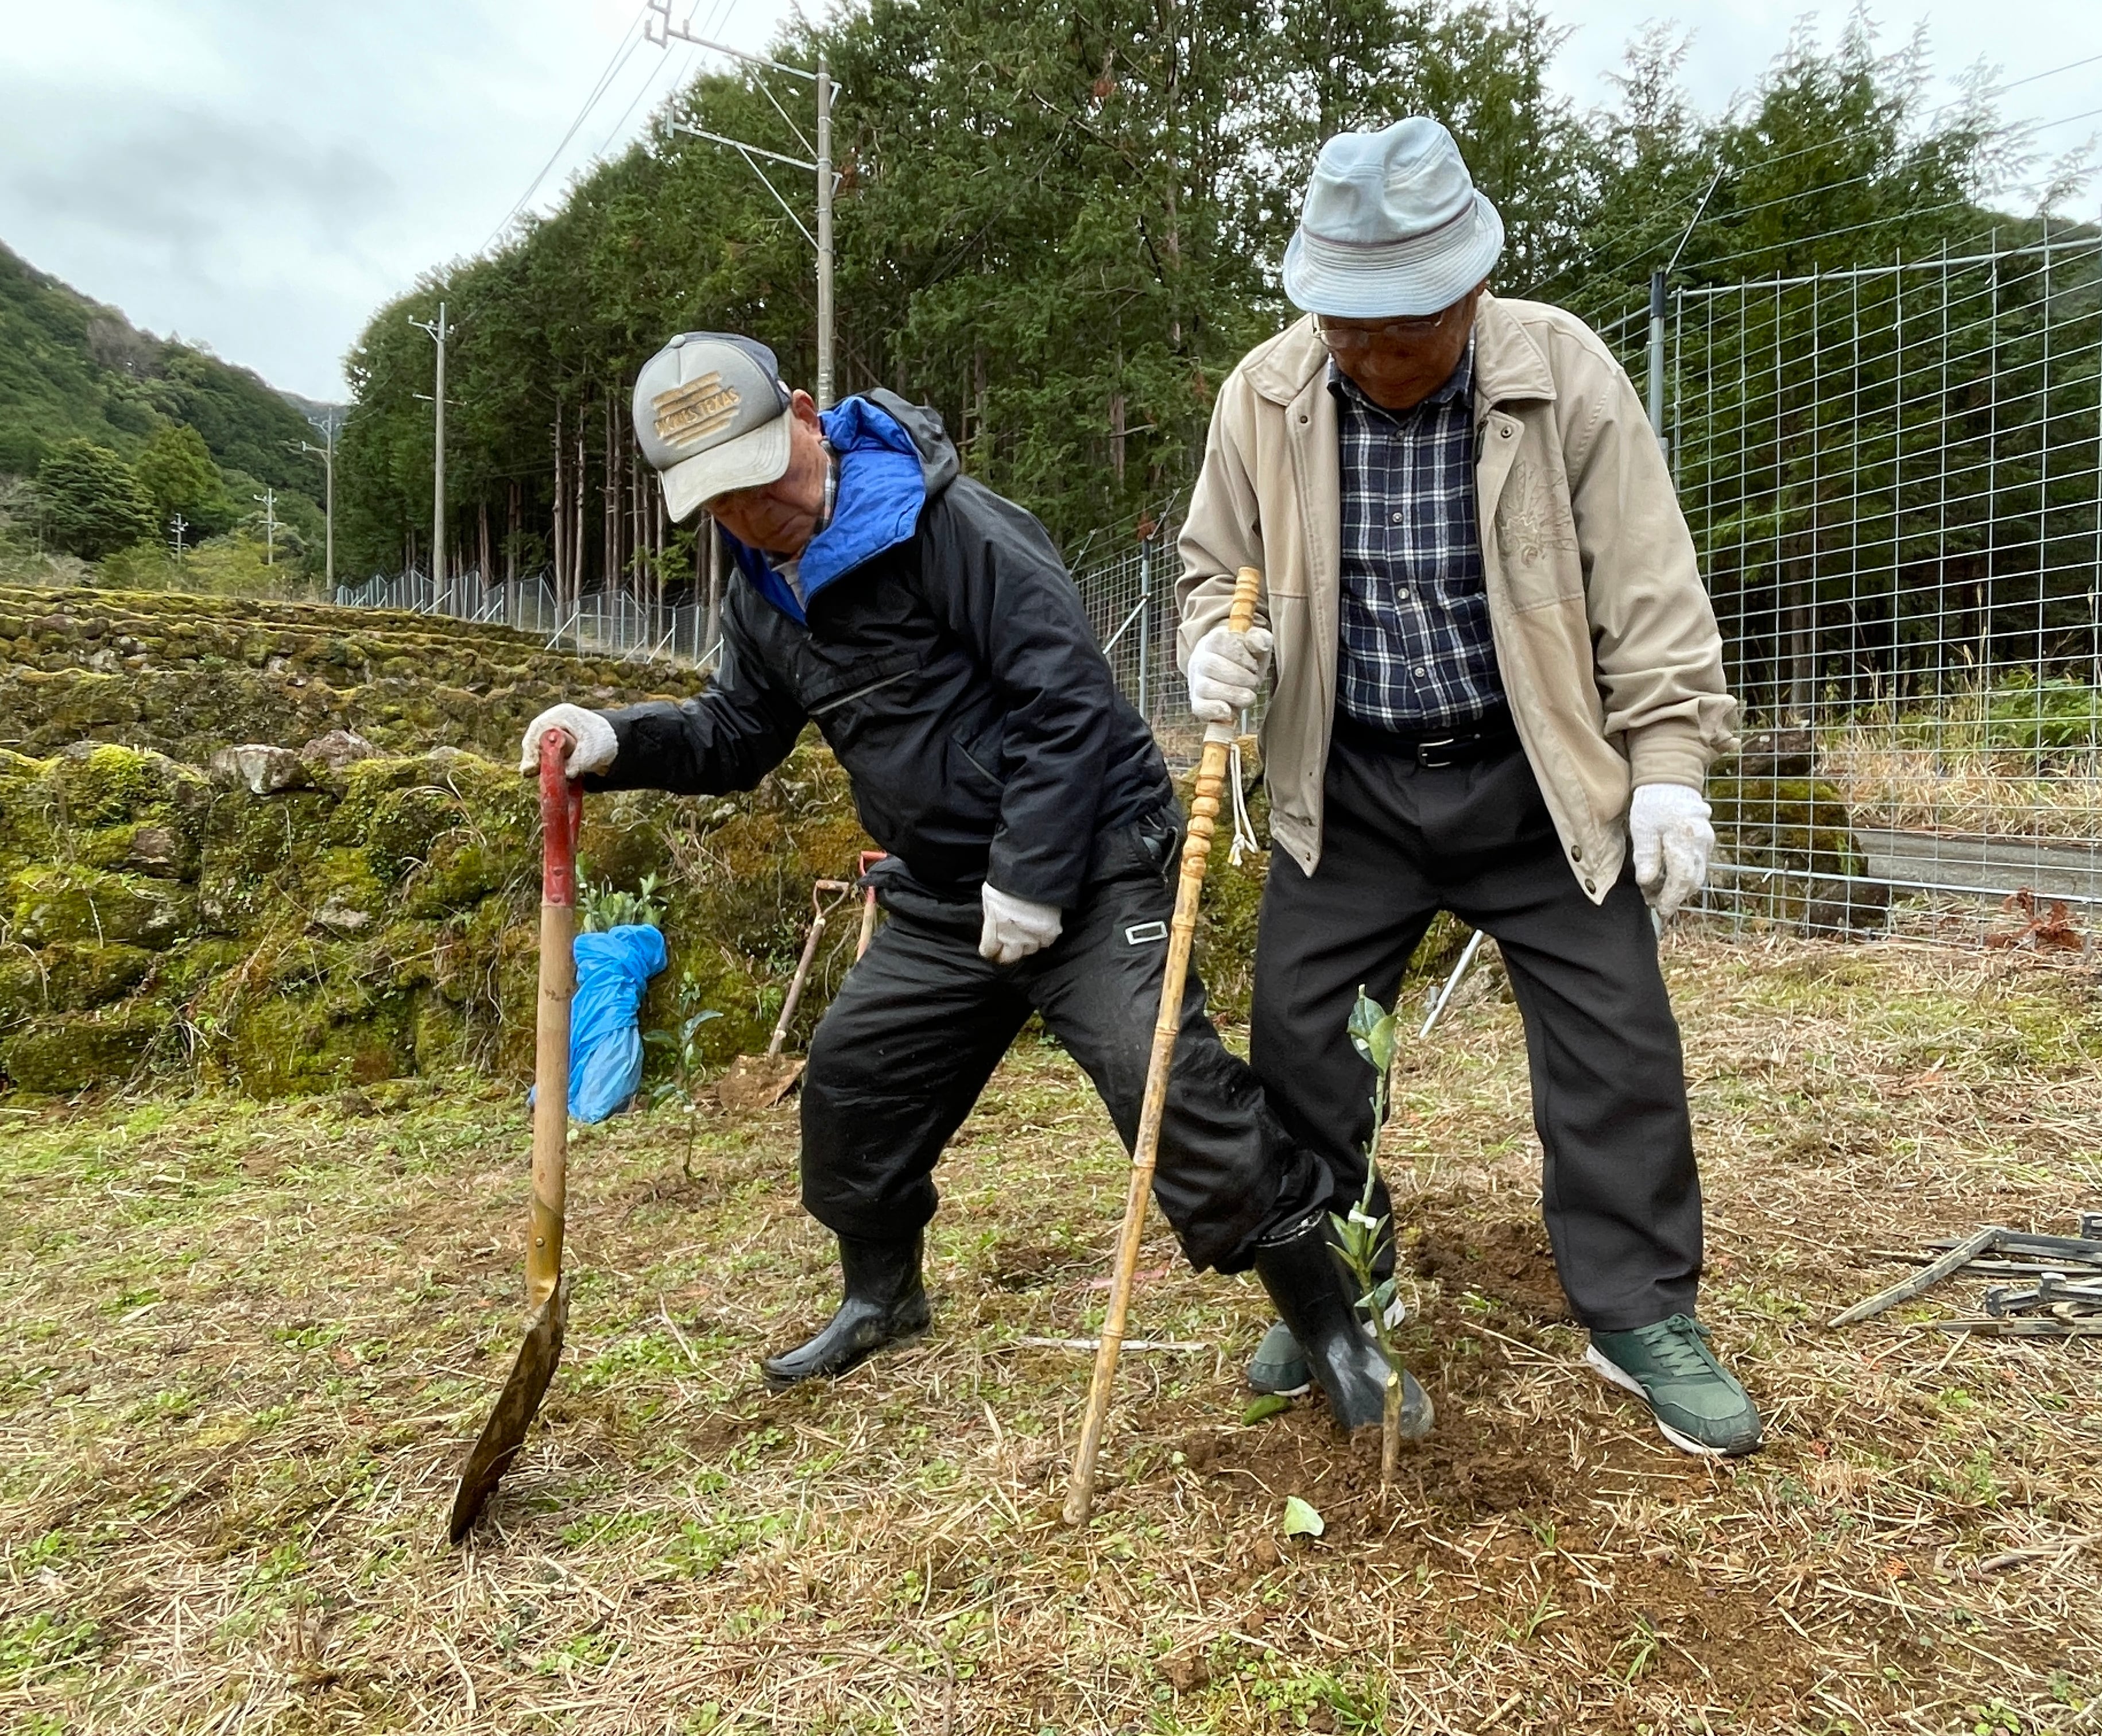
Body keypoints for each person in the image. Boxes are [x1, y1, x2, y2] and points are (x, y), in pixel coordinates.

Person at [517, 331, 1430, 1439]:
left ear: (805, 416)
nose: (754, 514)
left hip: (1089, 867)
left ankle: (1337, 1327)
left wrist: (1032, 876)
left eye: (764, 478)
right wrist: (613, 739)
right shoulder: (763, 589)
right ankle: (882, 1294)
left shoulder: (952, 525)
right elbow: (739, 732)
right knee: (854, 1092)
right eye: (721, 502)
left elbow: (1071, 705)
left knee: (1172, 1094)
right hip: (946, 896)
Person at [1175, 119, 1761, 1456]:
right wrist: (1222, 648)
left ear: (1467, 290)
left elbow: (1651, 594)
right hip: (1355, 779)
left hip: (1535, 778)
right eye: (1345, 328)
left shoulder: (1565, 375)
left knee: (1617, 1043)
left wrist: (1668, 773)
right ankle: (1338, 1289)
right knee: (1307, 1040)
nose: (1370, 357)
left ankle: (1640, 1313)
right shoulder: (1262, 396)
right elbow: (1217, 569)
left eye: (1400, 328)